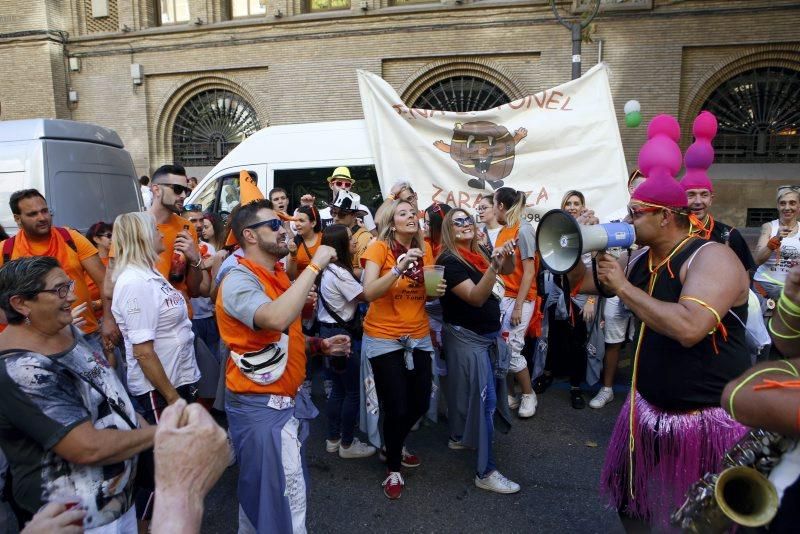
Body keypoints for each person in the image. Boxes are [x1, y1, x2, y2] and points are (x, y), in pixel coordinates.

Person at [570, 119, 752, 528]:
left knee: (704, 518)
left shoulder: (711, 258)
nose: (627, 220)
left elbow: (690, 327)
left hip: (705, 418)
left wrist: (623, 287)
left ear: (666, 216)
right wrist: (570, 255)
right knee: (627, 498)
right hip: (647, 409)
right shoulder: (640, 258)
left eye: (635, 213)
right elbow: (584, 284)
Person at [215, 198, 350, 533]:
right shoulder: (238, 280)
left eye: (283, 223)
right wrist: (315, 266)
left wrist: (318, 345)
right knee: (285, 509)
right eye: (274, 224)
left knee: (263, 505)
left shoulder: (274, 273)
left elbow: (276, 340)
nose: (284, 229)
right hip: (262, 409)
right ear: (249, 235)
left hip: (279, 404)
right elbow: (274, 318)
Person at [0, 256, 155, 531]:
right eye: (60, 290)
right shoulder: (19, 369)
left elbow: (108, 391)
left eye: (69, 285)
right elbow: (87, 447)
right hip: (76, 521)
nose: (71, 296)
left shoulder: (66, 330)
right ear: (20, 303)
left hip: (116, 505)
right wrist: (163, 433)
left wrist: (136, 423)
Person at [110, 211, 201, 526]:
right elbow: (143, 352)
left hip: (176, 382)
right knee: (161, 474)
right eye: (155, 230)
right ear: (141, 237)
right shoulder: (134, 282)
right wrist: (173, 398)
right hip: (159, 392)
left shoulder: (149, 273)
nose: (162, 234)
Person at [360, 199, 445, 499]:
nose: (411, 217)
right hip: (384, 337)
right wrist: (397, 269)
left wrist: (436, 291)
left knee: (419, 404)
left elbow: (428, 295)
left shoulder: (426, 251)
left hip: (418, 335)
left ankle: (390, 443)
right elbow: (368, 292)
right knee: (396, 406)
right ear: (391, 221)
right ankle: (393, 467)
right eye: (403, 213)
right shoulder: (379, 248)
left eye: (414, 213)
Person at [436, 208, 519, 493]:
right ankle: (486, 471)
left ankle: (459, 436)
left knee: (467, 392)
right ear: (448, 229)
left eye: (467, 219)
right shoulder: (449, 260)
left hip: (485, 337)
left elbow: (507, 272)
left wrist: (504, 257)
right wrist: (494, 267)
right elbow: (475, 297)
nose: (464, 224)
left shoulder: (480, 250)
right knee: (485, 401)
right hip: (467, 338)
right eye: (456, 221)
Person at [0, 189, 111, 348]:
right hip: (35, 344)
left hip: (86, 334)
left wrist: (108, 320)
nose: (42, 218)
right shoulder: (6, 250)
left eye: (45, 211)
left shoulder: (71, 238)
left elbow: (104, 281)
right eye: (33, 214)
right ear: (18, 219)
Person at [317, 224, 376, 459]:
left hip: (326, 332)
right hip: (342, 335)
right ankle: (348, 444)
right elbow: (366, 294)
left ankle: (333, 438)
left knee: (338, 390)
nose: (355, 243)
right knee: (352, 391)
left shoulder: (327, 270)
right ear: (340, 244)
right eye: (351, 239)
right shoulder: (340, 273)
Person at [681, 112, 755, 274]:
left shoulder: (730, 235)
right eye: (691, 194)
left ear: (711, 199)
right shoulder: (671, 231)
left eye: (704, 194)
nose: (698, 201)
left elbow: (745, 275)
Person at [539, 191, 593, 409]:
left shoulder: (591, 230)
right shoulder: (556, 229)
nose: (572, 207)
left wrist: (591, 300)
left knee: (576, 342)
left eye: (576, 203)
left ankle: (575, 386)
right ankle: (548, 373)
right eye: (568, 203)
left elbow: (594, 268)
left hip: (580, 295)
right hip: (556, 292)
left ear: (582, 206)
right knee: (553, 337)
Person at [493, 187, 538, 418]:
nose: (492, 209)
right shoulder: (503, 231)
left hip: (521, 298)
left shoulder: (524, 230)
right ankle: (510, 393)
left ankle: (529, 394)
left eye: (493, 204)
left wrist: (519, 306)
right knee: (502, 348)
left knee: (513, 348)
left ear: (500, 206)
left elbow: (529, 272)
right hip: (504, 297)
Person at [753, 185, 800, 304]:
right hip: (765, 287)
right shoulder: (769, 227)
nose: (787, 207)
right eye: (783, 203)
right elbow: (757, 260)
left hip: (793, 288)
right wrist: (775, 239)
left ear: (799, 206)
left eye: (792, 203)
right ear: (778, 206)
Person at [310, 167, 377, 234]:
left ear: (350, 187)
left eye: (347, 184)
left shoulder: (362, 209)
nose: (343, 187)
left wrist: (364, 232)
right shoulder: (322, 214)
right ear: (331, 185)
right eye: (339, 183)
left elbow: (375, 237)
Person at [330, 190, 372, 277]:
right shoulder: (336, 234)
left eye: (341, 214)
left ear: (354, 215)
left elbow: (366, 273)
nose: (336, 218)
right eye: (333, 213)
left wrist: (335, 270)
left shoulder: (364, 238)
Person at [286, 205, 322, 281]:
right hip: (304, 290)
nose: (296, 224)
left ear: (313, 223)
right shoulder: (294, 243)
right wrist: (293, 255)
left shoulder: (325, 239)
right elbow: (290, 276)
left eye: (301, 221)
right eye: (295, 220)